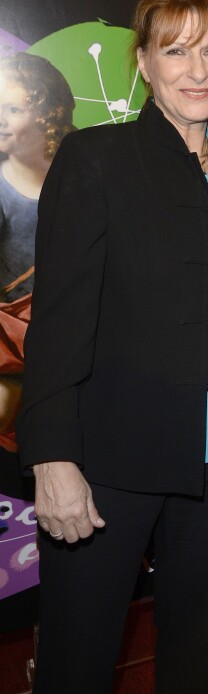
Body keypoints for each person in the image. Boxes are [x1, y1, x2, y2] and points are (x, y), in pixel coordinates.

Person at [17, 0, 208, 694]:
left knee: (197, 651)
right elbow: (59, 321)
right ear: (143, 62)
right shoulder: (97, 161)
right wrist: (54, 460)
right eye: (177, 50)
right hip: (114, 461)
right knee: (79, 656)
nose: (199, 70)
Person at [0, 52, 75, 454]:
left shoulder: (80, 169)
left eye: (12, 109)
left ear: (48, 112)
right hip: (8, 335)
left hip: (70, 329)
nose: (0, 120)